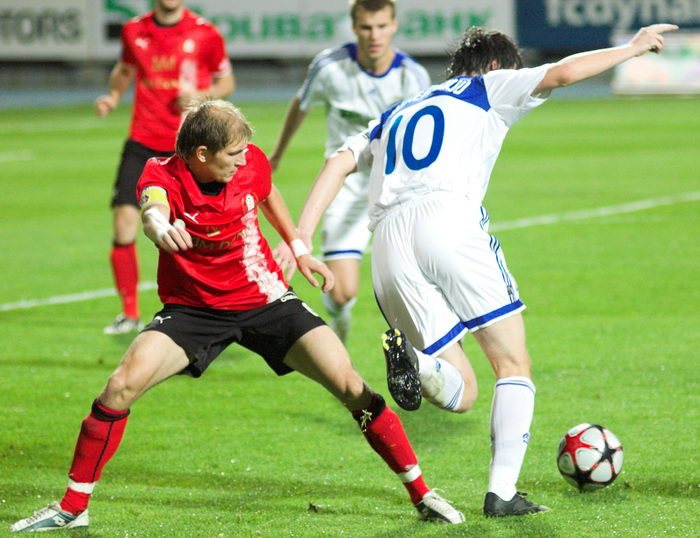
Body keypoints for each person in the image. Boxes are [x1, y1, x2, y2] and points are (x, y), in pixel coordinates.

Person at [10, 101, 465, 533]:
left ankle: (422, 493)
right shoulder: (161, 173)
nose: (244, 159)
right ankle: (73, 507)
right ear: (201, 154)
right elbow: (152, 209)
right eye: (233, 153)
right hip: (193, 309)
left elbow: (268, 193)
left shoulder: (250, 163)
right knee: (120, 386)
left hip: (265, 298)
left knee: (349, 385)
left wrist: (299, 247)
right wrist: (160, 227)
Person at [294, 24, 678, 516]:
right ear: (496, 66)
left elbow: (337, 162)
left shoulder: (395, 112)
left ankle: (418, 363)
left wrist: (302, 237)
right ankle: (502, 492)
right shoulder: (487, 86)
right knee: (512, 363)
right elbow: (561, 73)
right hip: (447, 220)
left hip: (386, 244)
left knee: (462, 391)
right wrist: (631, 48)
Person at [269, 0, 430, 342]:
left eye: (382, 26)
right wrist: (278, 153)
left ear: (394, 25)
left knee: (419, 281)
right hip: (343, 186)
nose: (375, 35)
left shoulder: (412, 76)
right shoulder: (330, 67)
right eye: (367, 27)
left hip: (395, 188)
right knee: (342, 292)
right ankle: (339, 319)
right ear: (355, 27)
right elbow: (301, 104)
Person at [96, 0, 235, 334]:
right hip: (142, 143)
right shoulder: (134, 30)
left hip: (186, 147)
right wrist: (113, 96)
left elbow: (227, 82)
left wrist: (202, 94)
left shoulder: (205, 33)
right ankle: (130, 314)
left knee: (199, 232)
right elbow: (124, 69)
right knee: (124, 221)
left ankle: (214, 308)